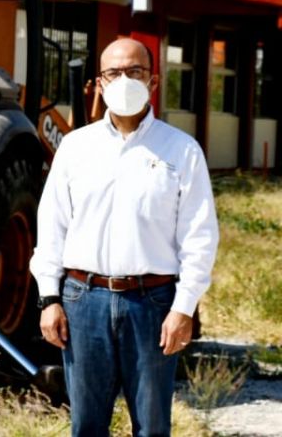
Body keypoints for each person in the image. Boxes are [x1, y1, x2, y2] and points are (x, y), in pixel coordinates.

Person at [31, 38, 219, 436]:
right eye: (114, 73)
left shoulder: (181, 150)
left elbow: (200, 236)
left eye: (134, 72)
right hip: (83, 302)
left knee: (151, 428)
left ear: (153, 81)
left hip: (152, 305)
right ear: (99, 83)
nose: (124, 81)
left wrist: (183, 308)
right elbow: (51, 227)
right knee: (86, 426)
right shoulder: (76, 147)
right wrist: (49, 298)